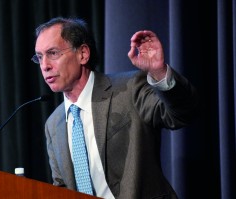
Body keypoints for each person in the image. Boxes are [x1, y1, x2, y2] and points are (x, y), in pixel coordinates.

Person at [31, 17, 198, 199]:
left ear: (83, 54)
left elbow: (182, 113)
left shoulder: (129, 89)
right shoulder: (53, 124)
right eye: (39, 57)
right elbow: (62, 188)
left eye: (53, 53)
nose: (44, 66)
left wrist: (158, 72)